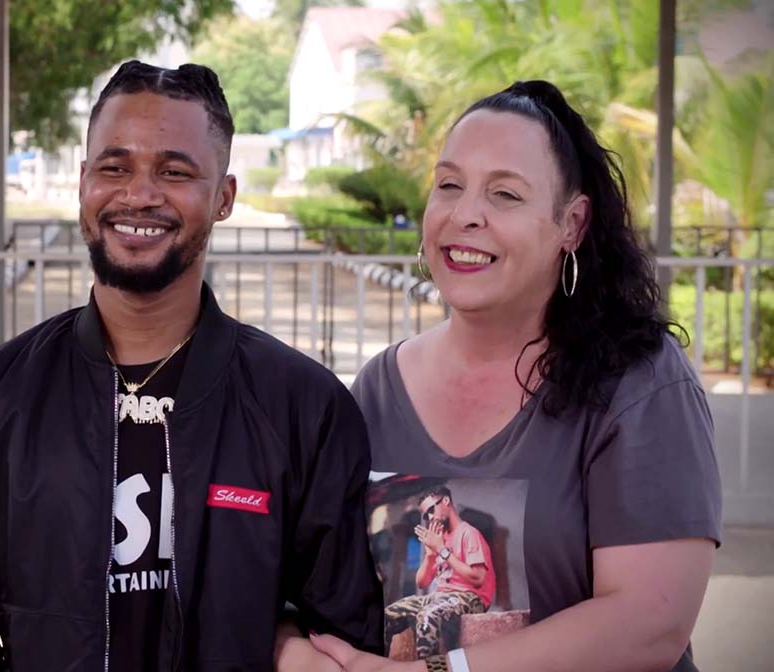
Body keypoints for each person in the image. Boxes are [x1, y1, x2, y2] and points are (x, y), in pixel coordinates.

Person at [0, 60, 382, 672]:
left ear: (223, 198)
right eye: (115, 167)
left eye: (175, 171)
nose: (140, 194)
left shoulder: (303, 407)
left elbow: (341, 626)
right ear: (83, 184)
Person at [282, 80, 722, 672]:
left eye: (506, 195)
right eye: (449, 186)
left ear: (572, 224)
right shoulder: (378, 389)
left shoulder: (640, 381)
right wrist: (294, 652)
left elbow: (650, 623)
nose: (466, 214)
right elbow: (322, 583)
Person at [383, 487, 495, 659]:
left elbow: (478, 578)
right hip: (441, 596)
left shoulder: (468, 533)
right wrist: (430, 556)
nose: (429, 517)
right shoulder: (440, 537)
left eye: (431, 510)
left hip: (470, 597)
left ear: (446, 501)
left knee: (428, 615)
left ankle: (435, 670)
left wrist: (442, 550)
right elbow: (421, 583)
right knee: (388, 615)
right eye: (425, 514)